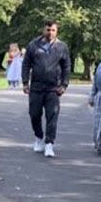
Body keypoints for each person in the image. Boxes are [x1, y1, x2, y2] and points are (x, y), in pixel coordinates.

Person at [21, 20, 71, 158]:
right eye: (48, 30)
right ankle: (39, 137)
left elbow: (66, 67)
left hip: (53, 88)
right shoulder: (33, 45)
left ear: (57, 31)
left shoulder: (62, 47)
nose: (50, 33)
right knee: (34, 114)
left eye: (53, 30)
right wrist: (25, 83)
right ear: (44, 30)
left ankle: (49, 144)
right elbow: (26, 64)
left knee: (52, 116)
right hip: (36, 87)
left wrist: (64, 85)